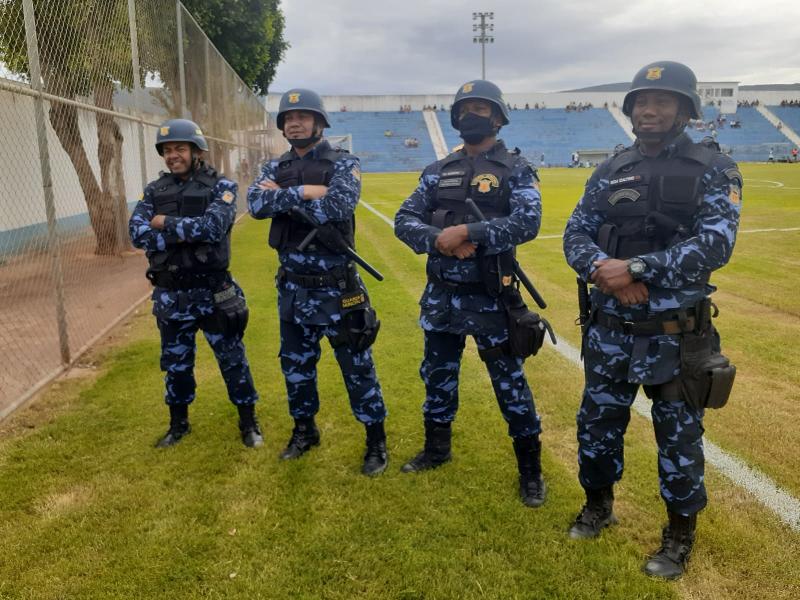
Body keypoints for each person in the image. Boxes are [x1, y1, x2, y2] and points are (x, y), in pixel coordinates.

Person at [563, 61, 741, 579]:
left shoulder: (715, 168)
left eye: (662, 101)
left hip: (675, 338)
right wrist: (605, 271)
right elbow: (576, 233)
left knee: (679, 441)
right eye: (641, 101)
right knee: (596, 429)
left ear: (686, 110)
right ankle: (598, 507)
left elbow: (716, 244)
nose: (649, 110)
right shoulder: (611, 169)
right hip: (611, 332)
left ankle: (679, 536)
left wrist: (638, 268)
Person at [395, 80, 549, 508]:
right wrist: (439, 240)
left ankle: (531, 471)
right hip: (442, 297)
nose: (471, 116)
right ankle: (436, 450)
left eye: (480, 109)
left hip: (491, 298)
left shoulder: (516, 169)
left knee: (510, 384)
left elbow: (527, 223)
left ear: (498, 118)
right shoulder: (437, 170)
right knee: (437, 377)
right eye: (464, 109)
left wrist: (470, 232)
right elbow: (404, 220)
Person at [247, 89, 388, 476]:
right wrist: (307, 191)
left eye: (303, 117)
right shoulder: (274, 166)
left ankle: (375, 440)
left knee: (357, 366)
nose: (294, 123)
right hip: (293, 289)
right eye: (288, 118)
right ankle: (305, 431)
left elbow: (339, 205)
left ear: (320, 123)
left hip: (337, 289)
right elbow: (255, 204)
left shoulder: (344, 162)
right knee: (296, 367)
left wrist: (284, 197)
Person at [129, 119, 262, 448]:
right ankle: (178, 425)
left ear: (196, 151)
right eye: (167, 150)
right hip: (172, 294)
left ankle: (248, 423)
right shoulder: (154, 190)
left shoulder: (222, 187)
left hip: (214, 292)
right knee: (176, 364)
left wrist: (163, 223)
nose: (173, 155)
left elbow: (213, 228)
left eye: (180, 148)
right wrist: (187, 232)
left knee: (232, 359)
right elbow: (137, 233)